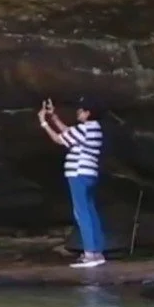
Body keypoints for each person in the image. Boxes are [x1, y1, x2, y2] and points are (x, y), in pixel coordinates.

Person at [37, 99, 105, 268]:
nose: (78, 113)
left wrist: (43, 123)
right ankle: (97, 252)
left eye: (81, 111)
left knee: (82, 213)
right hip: (90, 174)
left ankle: (89, 255)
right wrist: (54, 117)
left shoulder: (84, 129)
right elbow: (69, 132)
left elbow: (59, 139)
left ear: (88, 113)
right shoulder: (95, 128)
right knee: (90, 211)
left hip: (78, 174)